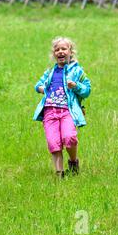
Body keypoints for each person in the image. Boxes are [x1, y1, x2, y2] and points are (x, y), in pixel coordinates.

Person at [33, 37, 91, 178]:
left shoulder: (77, 71)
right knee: (54, 143)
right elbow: (37, 85)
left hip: (67, 111)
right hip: (49, 111)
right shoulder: (50, 72)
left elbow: (87, 90)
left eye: (64, 49)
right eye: (57, 49)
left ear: (71, 52)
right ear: (54, 54)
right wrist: (42, 88)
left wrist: (76, 86)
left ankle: (73, 162)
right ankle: (59, 174)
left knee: (69, 137)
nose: (60, 52)